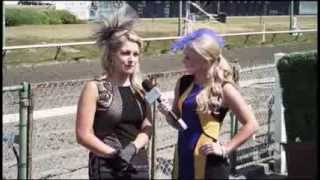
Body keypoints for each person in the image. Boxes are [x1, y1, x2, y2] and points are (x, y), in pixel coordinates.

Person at [158, 28, 259, 179]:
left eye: (188, 57)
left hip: (209, 164)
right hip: (182, 158)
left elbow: (252, 124)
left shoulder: (225, 88)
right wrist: (167, 113)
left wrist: (225, 148)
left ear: (204, 60)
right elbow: (177, 122)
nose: (183, 61)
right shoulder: (183, 82)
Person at [75, 8, 152, 179]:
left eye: (135, 54)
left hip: (138, 164)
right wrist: (114, 155)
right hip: (106, 166)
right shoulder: (94, 88)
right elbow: (83, 135)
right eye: (125, 53)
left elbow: (148, 127)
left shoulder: (142, 88)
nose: (131, 59)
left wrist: (132, 148)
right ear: (111, 56)